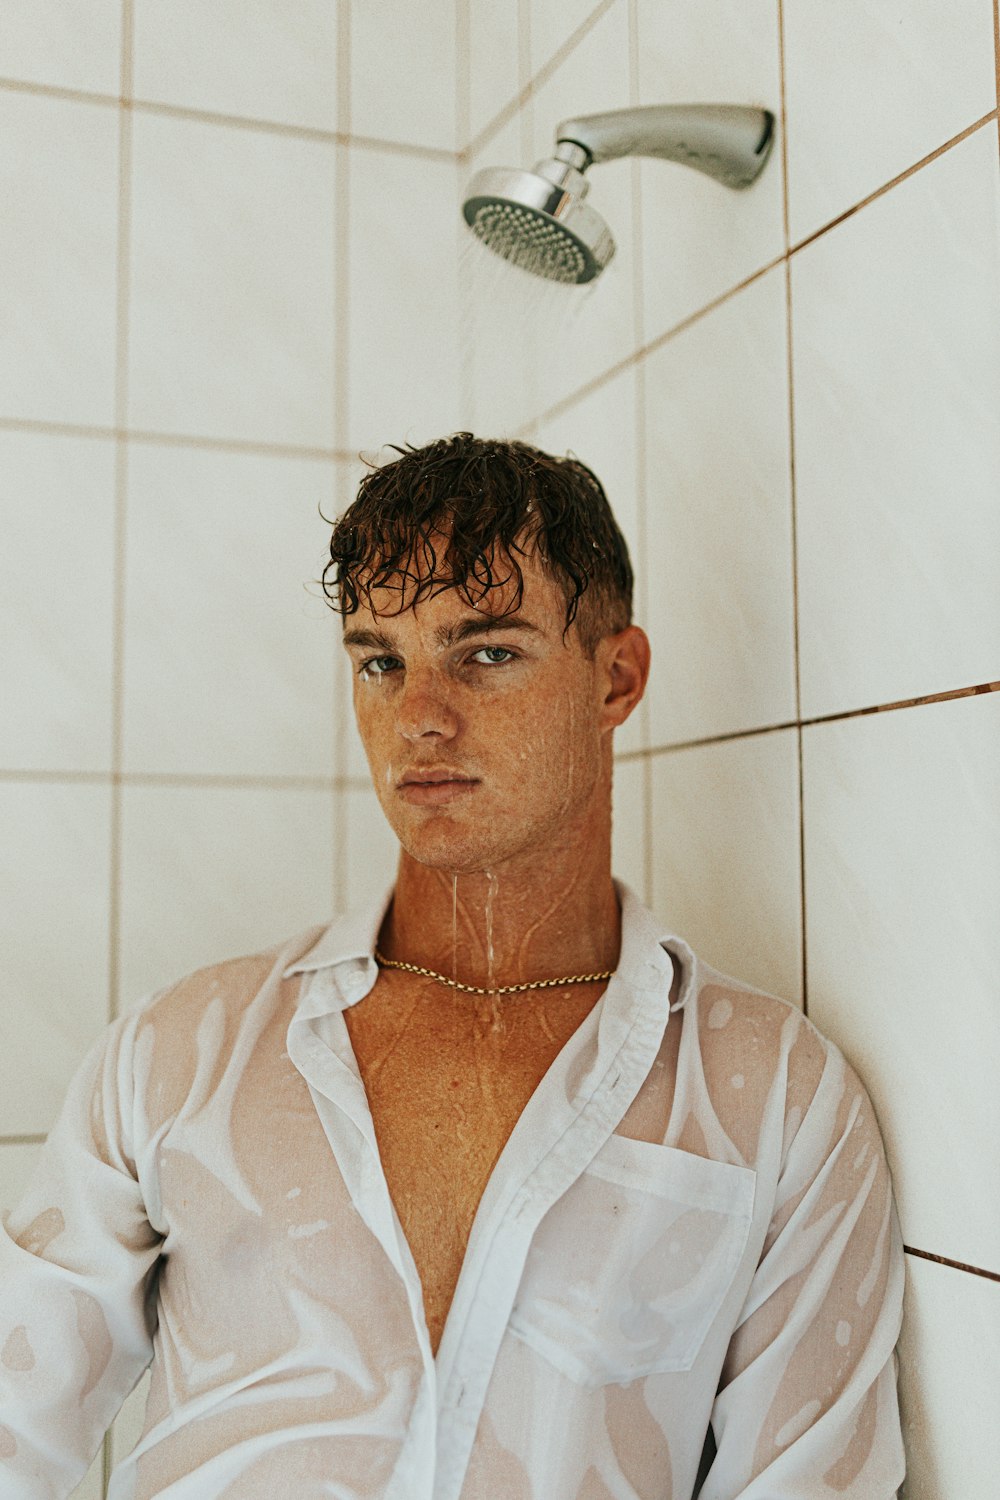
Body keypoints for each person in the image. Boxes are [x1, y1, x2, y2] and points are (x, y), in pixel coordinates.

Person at [0, 432, 905, 1499]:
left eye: (485, 652)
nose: (418, 718)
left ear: (615, 677)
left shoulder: (777, 1099)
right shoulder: (181, 1053)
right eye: (380, 661)